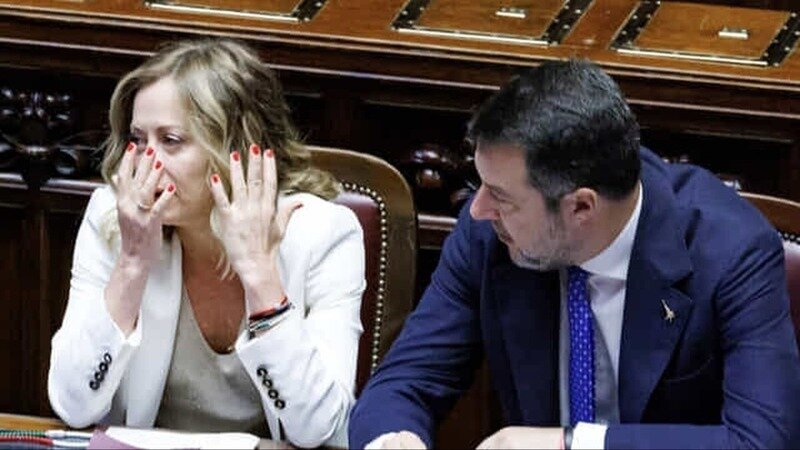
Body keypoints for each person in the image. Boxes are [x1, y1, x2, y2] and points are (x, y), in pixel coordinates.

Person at [349, 59, 800, 449]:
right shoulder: (488, 233)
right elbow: (403, 384)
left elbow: (761, 440)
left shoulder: (731, 251)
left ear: (581, 207)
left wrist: (569, 443)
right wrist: (392, 438)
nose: (478, 209)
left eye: (501, 197)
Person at [47, 38, 365, 448]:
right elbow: (73, 406)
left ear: (235, 150)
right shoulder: (114, 217)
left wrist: (260, 277)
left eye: (171, 140)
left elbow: (318, 428)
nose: (147, 162)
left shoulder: (321, 235)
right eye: (138, 140)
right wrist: (131, 263)